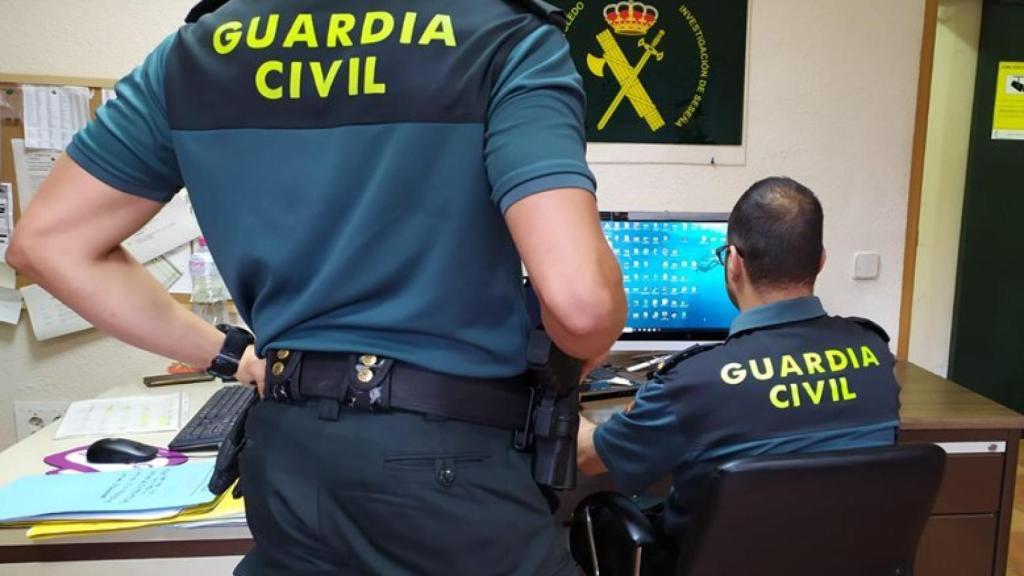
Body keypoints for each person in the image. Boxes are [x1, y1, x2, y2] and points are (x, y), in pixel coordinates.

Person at [8, 1, 626, 574]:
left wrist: (229, 355)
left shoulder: (194, 52)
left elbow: (46, 245)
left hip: (290, 457)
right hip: (450, 466)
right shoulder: (500, 33)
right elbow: (580, 303)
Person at [576, 177, 901, 573]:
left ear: (733, 262)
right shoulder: (875, 353)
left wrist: (572, 381)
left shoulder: (693, 383)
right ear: (820, 261)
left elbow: (586, 457)